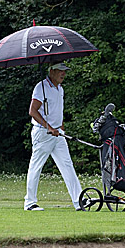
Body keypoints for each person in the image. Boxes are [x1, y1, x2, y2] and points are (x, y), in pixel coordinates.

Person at [24, 62, 83, 211]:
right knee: (36, 167)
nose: (63, 74)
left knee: (67, 165)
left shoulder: (59, 89)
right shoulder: (41, 87)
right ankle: (30, 203)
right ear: (51, 71)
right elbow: (33, 111)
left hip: (57, 133)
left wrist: (60, 127)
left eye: (64, 71)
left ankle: (79, 201)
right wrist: (48, 127)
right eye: (60, 71)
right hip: (42, 133)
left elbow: (58, 111)